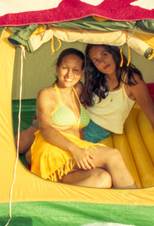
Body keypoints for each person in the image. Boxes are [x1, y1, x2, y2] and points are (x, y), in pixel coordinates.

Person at [29, 48, 137, 189]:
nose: (69, 74)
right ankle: (137, 204)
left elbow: (103, 98)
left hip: (72, 157)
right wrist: (76, 150)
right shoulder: (46, 94)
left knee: (102, 179)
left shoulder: (78, 89)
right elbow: (45, 129)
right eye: (65, 68)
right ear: (57, 68)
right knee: (113, 155)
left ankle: (55, 198)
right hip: (56, 149)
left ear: (81, 73)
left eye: (75, 70)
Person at [83, 44, 154, 145]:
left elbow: (152, 115)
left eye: (104, 55)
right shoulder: (98, 78)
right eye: (96, 60)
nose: (102, 62)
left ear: (114, 53)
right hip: (79, 122)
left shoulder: (132, 81)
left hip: (94, 132)